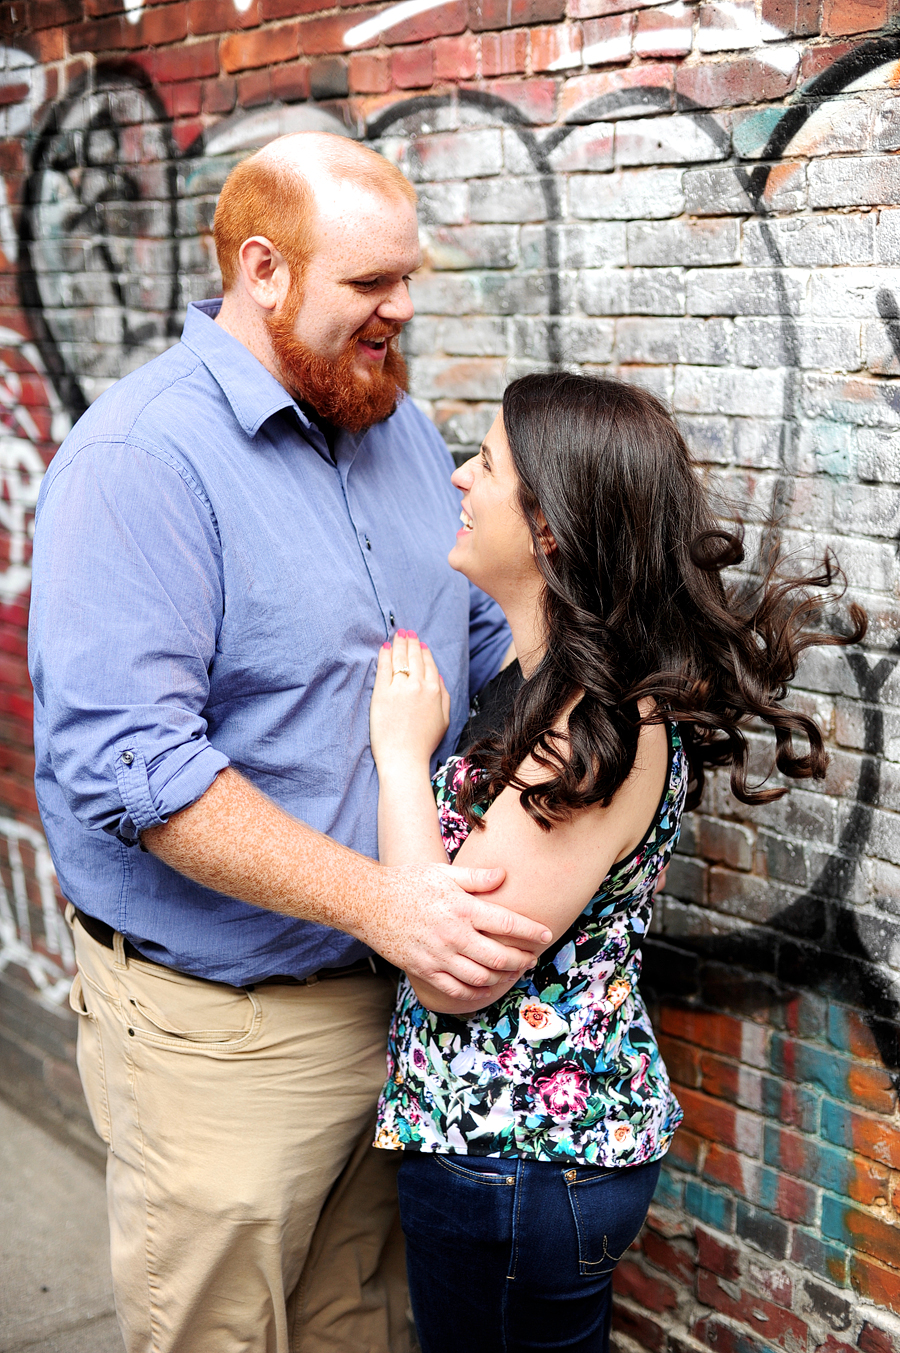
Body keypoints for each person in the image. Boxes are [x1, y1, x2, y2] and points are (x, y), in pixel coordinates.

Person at [27, 133, 551, 1353]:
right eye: (370, 285)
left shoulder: (403, 430)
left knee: (354, 1328)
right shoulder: (138, 461)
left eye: (408, 278)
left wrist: (626, 676)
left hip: (388, 1010)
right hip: (226, 1035)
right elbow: (133, 769)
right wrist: (388, 904)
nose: (402, 309)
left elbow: (478, 643)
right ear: (263, 271)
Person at [368, 372, 865, 1353]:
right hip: (507, 1158)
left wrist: (396, 753)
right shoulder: (543, 685)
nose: (460, 480)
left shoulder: (597, 723)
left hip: (515, 1159)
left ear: (549, 528)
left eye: (488, 465)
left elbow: (452, 970)